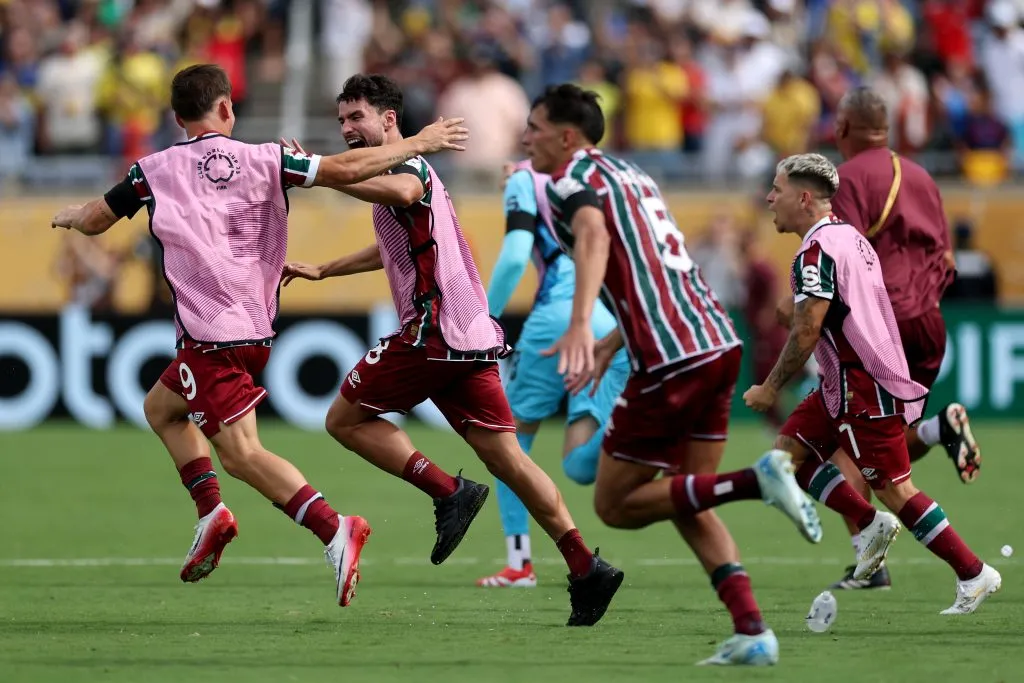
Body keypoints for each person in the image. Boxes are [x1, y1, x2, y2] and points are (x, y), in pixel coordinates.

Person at [49, 64, 470, 608]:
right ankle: (211, 514)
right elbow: (345, 170)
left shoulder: (150, 171)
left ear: (177, 119)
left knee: (243, 455)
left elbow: (96, 220)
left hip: (210, 334)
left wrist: (71, 217)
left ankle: (335, 528)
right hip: (253, 329)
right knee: (161, 408)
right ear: (228, 108)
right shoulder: (269, 157)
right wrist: (418, 142)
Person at [279, 74, 623, 627]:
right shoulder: (399, 169)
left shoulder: (406, 166)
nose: (346, 129)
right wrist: (324, 268)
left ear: (389, 119)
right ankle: (587, 567)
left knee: (344, 419)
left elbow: (387, 190)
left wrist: (318, 173)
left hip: (433, 332)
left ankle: (448, 491)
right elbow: (392, 243)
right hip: (468, 336)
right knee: (509, 459)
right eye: (341, 120)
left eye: (356, 117)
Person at [524, 83, 823, 667]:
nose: (525, 137)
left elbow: (592, 239)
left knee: (614, 504)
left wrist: (583, 322)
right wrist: (614, 340)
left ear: (566, 136)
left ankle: (756, 481)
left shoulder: (566, 182)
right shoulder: (634, 175)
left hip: (670, 357)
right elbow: (652, 264)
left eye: (534, 127)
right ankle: (753, 631)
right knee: (685, 498)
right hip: (716, 341)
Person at [747, 153, 1000, 615]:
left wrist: (769, 387)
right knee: (785, 456)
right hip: (840, 383)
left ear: (804, 198)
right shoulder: (852, 238)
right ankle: (867, 524)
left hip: (860, 384)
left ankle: (974, 573)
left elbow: (807, 329)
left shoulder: (818, 250)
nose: (769, 197)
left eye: (777, 189)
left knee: (896, 490)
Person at [826, 86, 981, 590]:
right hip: (927, 323)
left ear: (843, 128)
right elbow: (948, 259)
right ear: (886, 129)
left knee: (837, 446)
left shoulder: (846, 177)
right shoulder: (921, 176)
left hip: (877, 326)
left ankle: (869, 560)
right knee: (881, 442)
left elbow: (841, 255)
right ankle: (938, 430)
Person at [474, 159, 631, 588]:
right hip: (602, 320)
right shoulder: (588, 180)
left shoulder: (525, 178)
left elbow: (515, 254)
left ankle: (520, 563)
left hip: (554, 323)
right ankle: (644, 423)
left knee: (507, 440)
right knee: (580, 463)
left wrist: (482, 319)